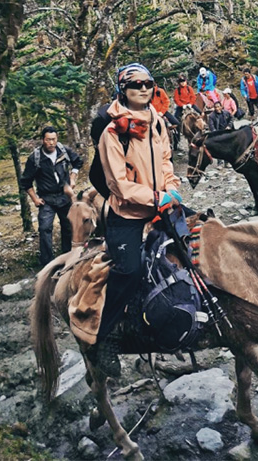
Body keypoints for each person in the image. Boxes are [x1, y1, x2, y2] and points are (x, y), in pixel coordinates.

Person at [97, 63, 182, 338]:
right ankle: (105, 335)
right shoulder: (113, 132)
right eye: (136, 84)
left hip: (161, 204)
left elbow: (166, 159)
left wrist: (172, 186)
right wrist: (156, 197)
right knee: (129, 272)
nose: (144, 88)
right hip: (128, 215)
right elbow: (117, 184)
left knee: (195, 244)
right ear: (124, 89)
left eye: (149, 83)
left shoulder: (157, 121)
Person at [20, 126, 83, 266]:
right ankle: (48, 263)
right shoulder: (35, 158)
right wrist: (34, 198)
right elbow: (25, 181)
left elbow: (78, 162)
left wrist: (72, 177)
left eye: (53, 139)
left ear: (57, 139)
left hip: (64, 196)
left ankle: (68, 256)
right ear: (43, 140)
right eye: (48, 140)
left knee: (68, 226)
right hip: (46, 199)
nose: (51, 143)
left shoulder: (64, 151)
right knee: (44, 228)